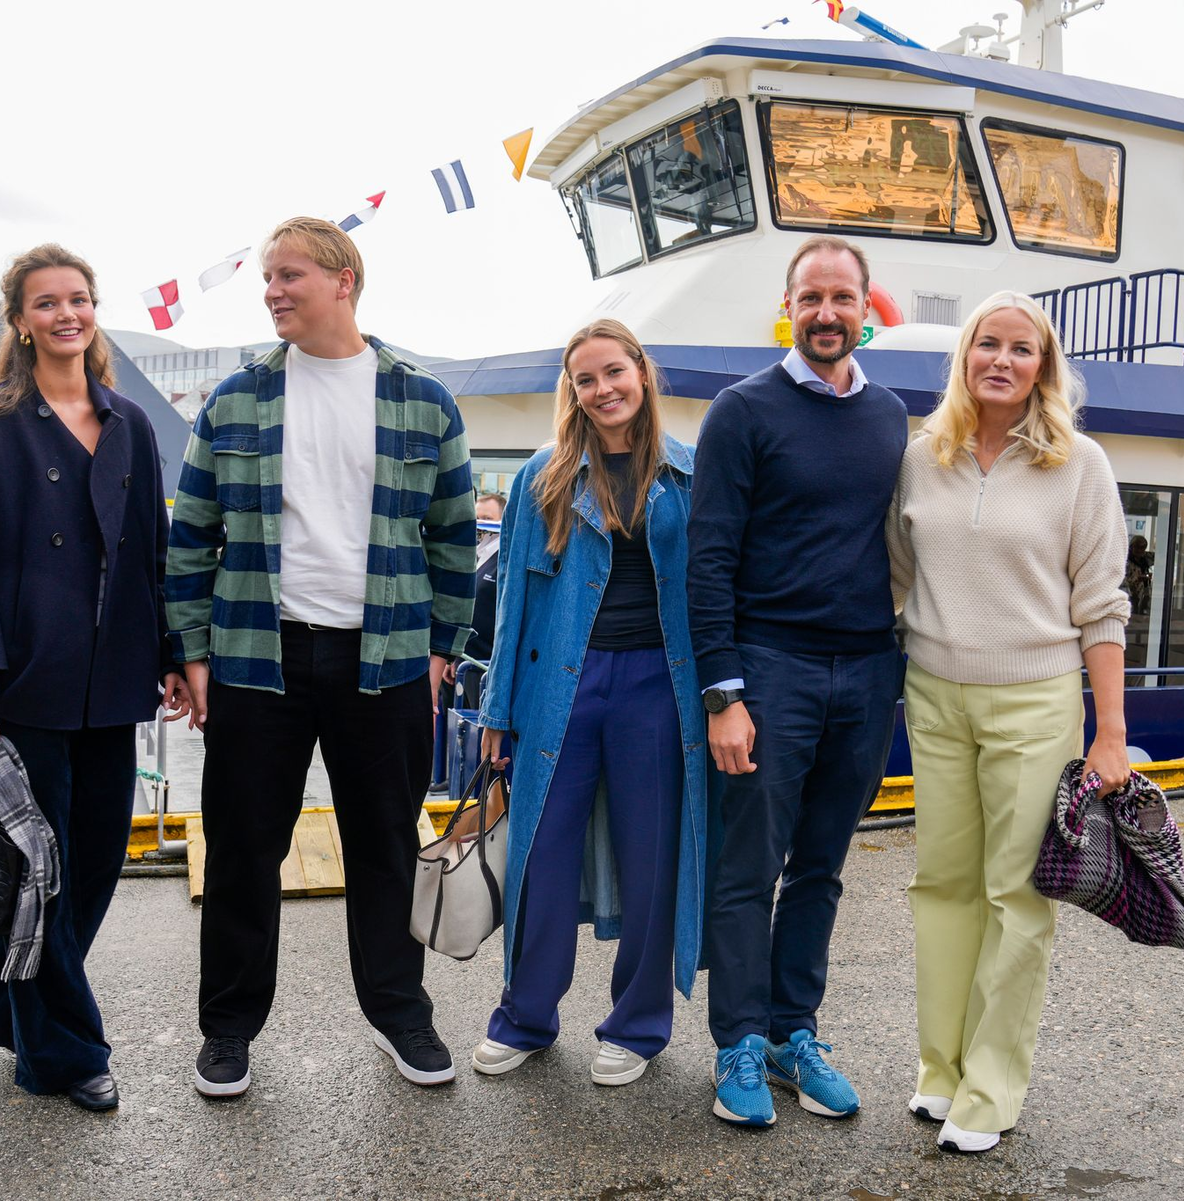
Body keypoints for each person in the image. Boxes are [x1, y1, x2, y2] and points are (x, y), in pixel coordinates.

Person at [165, 217, 476, 1098]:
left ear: (344, 279)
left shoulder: (423, 401)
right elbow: (191, 539)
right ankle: (227, 1031)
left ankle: (399, 1013)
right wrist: (193, 652)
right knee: (239, 850)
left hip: (384, 660)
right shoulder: (234, 400)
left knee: (384, 844)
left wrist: (442, 651)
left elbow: (454, 540)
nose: (272, 290)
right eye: (267, 277)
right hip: (256, 658)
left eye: (288, 274)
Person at [888, 291, 1131, 1153]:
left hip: (1036, 702)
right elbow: (897, 574)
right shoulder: (924, 456)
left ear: (1043, 366)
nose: (1001, 359)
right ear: (964, 358)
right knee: (942, 889)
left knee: (1017, 897)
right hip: (936, 697)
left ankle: (991, 1089)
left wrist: (1109, 734)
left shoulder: (1081, 464)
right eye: (986, 344)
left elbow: (1102, 606)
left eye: (1020, 348)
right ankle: (941, 1072)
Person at [689, 236, 908, 1128]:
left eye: (842, 297)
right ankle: (738, 1041)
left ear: (865, 308)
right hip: (769, 670)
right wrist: (724, 695)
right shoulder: (741, 413)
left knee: (820, 868)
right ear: (790, 304)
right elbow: (709, 562)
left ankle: (793, 1033)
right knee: (750, 867)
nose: (827, 313)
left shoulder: (892, 415)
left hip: (866, 669)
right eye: (810, 297)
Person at [471, 319, 706, 1087]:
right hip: (557, 684)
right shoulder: (547, 474)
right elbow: (512, 606)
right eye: (585, 379)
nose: (602, 389)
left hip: (656, 685)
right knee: (539, 848)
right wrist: (494, 711)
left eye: (614, 372)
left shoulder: (687, 474)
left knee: (652, 854)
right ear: (571, 390)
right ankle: (526, 1016)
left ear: (642, 372)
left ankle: (637, 1025)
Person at [0, 245, 190, 1111]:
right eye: (46, 303)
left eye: (78, 299)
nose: (66, 314)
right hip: (24, 675)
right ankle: (67, 1053)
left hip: (116, 676)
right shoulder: (3, 420)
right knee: (42, 868)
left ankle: (23, 1010)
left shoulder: (131, 425)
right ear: (21, 321)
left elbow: (152, 551)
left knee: (100, 855)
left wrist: (173, 654)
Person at [443, 492, 506, 709]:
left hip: (486, 668)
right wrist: (452, 656)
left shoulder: (505, 560)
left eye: (488, 518)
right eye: (477, 518)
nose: (481, 524)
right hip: (464, 664)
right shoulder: (477, 555)